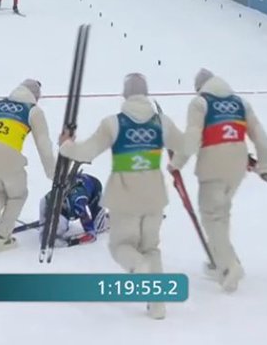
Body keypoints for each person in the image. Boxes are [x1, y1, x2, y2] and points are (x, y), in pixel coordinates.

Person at [59, 73, 182, 320]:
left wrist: (66, 144)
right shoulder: (162, 122)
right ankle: (157, 305)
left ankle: (140, 270)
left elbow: (86, 151)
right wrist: (176, 162)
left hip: (125, 195)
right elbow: (185, 146)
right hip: (155, 196)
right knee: (151, 248)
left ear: (125, 94)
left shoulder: (113, 123)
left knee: (120, 246)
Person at [169, 68, 267, 293]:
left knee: (212, 218)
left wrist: (176, 163)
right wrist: (264, 166)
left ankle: (229, 266)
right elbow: (261, 139)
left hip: (212, 166)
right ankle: (224, 262)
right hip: (237, 166)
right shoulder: (240, 103)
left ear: (200, 88)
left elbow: (192, 139)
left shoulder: (200, 104)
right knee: (221, 215)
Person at [0, 79, 56, 250]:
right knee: (18, 195)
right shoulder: (33, 111)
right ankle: (3, 238)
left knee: (2, 190)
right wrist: (53, 173)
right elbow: (44, 144)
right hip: (9, 155)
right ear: (36, 96)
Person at [38, 172, 109, 245]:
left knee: (98, 224)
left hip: (93, 186)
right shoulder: (46, 201)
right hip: (79, 184)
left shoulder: (78, 203)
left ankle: (108, 219)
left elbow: (85, 216)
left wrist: (90, 232)